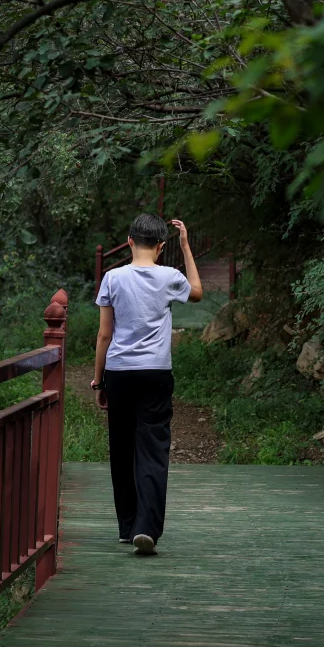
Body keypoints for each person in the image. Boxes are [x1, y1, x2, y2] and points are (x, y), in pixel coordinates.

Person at [90, 214, 203, 555]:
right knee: (152, 450)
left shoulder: (112, 277)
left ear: (128, 241)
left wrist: (99, 380)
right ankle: (147, 529)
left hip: (120, 372)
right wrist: (186, 248)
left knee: (122, 450)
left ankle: (127, 527)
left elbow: (104, 334)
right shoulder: (169, 277)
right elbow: (196, 293)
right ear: (160, 246)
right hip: (155, 373)